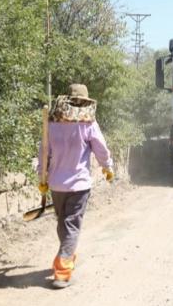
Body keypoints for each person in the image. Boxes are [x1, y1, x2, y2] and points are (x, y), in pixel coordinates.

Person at [37, 83, 114, 289]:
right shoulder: (88, 123)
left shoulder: (52, 124)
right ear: (85, 101)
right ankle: (62, 270)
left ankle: (67, 254)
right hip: (79, 184)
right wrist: (107, 166)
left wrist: (42, 179)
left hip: (56, 184)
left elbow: (44, 152)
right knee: (71, 225)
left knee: (63, 222)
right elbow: (101, 148)